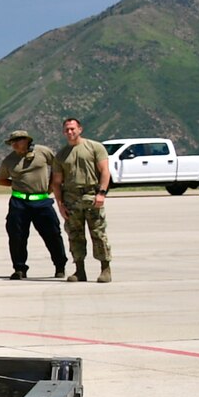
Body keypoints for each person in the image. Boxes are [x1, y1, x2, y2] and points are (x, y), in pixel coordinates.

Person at [0, 129, 66, 280]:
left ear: (27, 140)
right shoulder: (9, 160)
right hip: (19, 203)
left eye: (18, 141)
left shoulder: (43, 152)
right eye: (12, 142)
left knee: (52, 234)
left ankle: (60, 266)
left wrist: (52, 185)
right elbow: (1, 180)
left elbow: (56, 167)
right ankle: (20, 268)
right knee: (17, 236)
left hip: (41, 201)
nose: (14, 144)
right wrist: (17, 183)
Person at [55, 116, 113, 282]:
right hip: (71, 198)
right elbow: (57, 182)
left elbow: (105, 171)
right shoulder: (61, 155)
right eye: (67, 129)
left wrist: (101, 193)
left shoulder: (95, 147)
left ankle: (105, 268)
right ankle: (79, 269)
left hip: (91, 195)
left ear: (80, 129)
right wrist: (60, 205)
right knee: (75, 235)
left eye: (73, 129)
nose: (70, 132)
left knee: (98, 232)